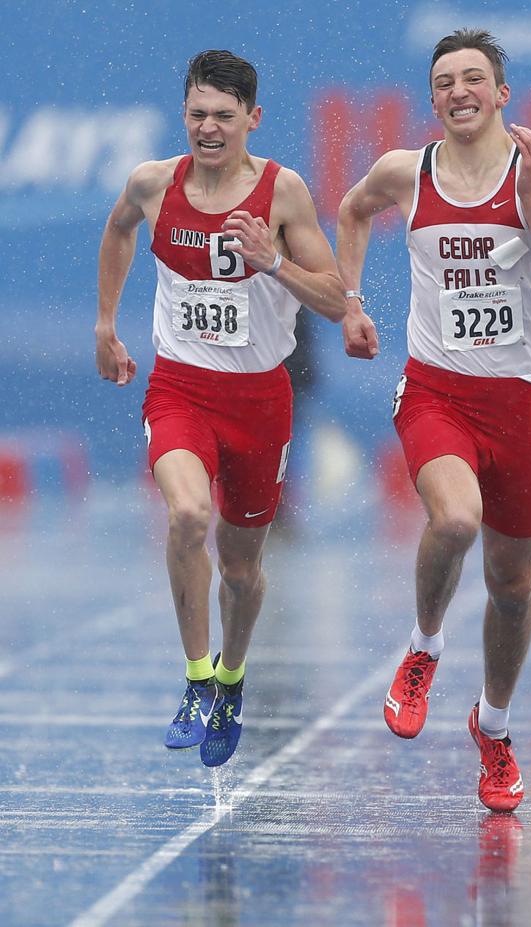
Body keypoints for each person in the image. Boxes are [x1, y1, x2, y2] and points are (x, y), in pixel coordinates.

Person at [335, 29, 531, 812]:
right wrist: (350, 299)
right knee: (455, 519)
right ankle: (423, 645)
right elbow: (350, 209)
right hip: (436, 391)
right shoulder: (405, 173)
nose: (458, 91)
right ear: (433, 98)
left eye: (474, 78)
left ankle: (495, 726)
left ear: (503, 94)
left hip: (518, 403)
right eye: (444, 81)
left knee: (513, 586)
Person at [95, 50, 348, 767]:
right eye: (198, 114)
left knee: (241, 568)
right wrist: (105, 324)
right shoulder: (153, 184)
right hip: (180, 387)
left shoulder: (283, 192)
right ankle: (197, 674)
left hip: (259, 402)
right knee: (187, 515)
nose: (209, 128)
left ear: (252, 120)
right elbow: (117, 231)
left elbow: (333, 298)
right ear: (184, 115)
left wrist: (274, 261)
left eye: (224, 117)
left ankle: (232, 679)